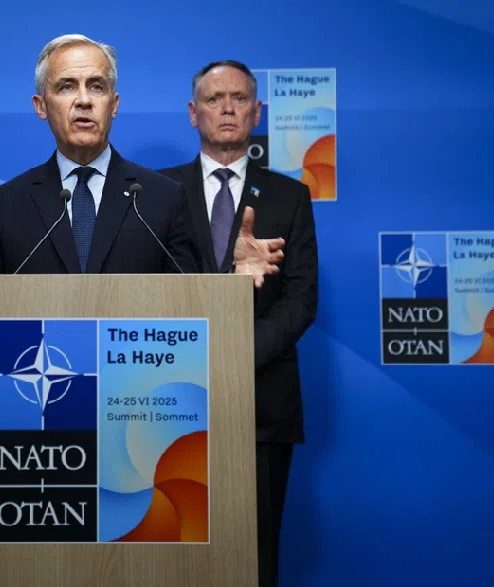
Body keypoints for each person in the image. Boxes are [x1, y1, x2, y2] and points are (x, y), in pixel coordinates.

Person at [0, 35, 286, 337]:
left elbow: (196, 315)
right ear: (40, 106)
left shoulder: (162, 198)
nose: (83, 100)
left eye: (96, 87)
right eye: (66, 87)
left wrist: (234, 283)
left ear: (113, 105)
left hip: (138, 411)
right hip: (39, 411)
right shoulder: (6, 203)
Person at [158, 60, 319, 587]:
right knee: (174, 555)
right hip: (170, 404)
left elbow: (300, 298)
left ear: (257, 111)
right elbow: (146, 290)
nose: (226, 108)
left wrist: (236, 355)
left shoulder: (291, 196)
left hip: (262, 401)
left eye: (239, 98)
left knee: (255, 556)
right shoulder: (155, 193)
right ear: (192, 113)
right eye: (213, 98)